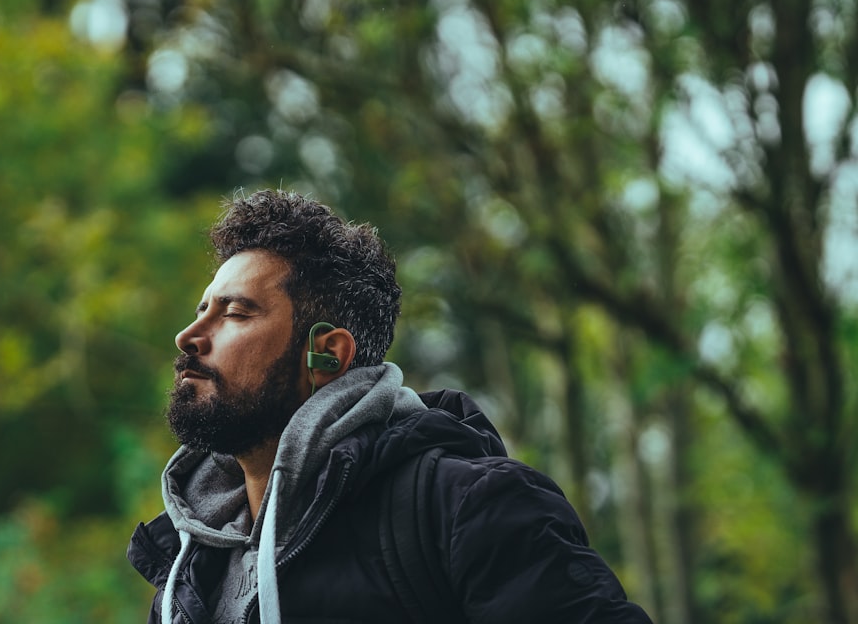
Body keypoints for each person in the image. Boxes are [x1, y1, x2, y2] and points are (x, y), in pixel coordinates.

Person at [127, 189, 653, 624]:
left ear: (326, 355)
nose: (188, 335)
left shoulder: (467, 508)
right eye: (201, 310)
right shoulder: (190, 565)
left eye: (236, 313)